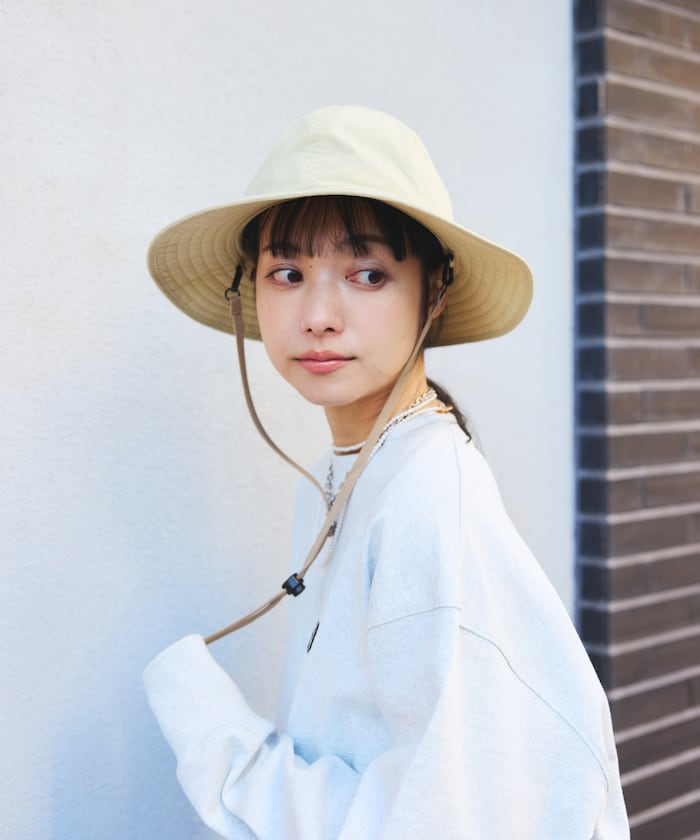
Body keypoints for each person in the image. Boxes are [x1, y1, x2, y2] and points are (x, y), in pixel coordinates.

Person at [143, 105, 629, 839]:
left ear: (434, 290)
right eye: (287, 273)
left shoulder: (427, 495)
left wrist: (216, 737)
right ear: (249, 293)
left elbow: (441, 819)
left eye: (367, 274)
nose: (318, 314)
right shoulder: (336, 478)